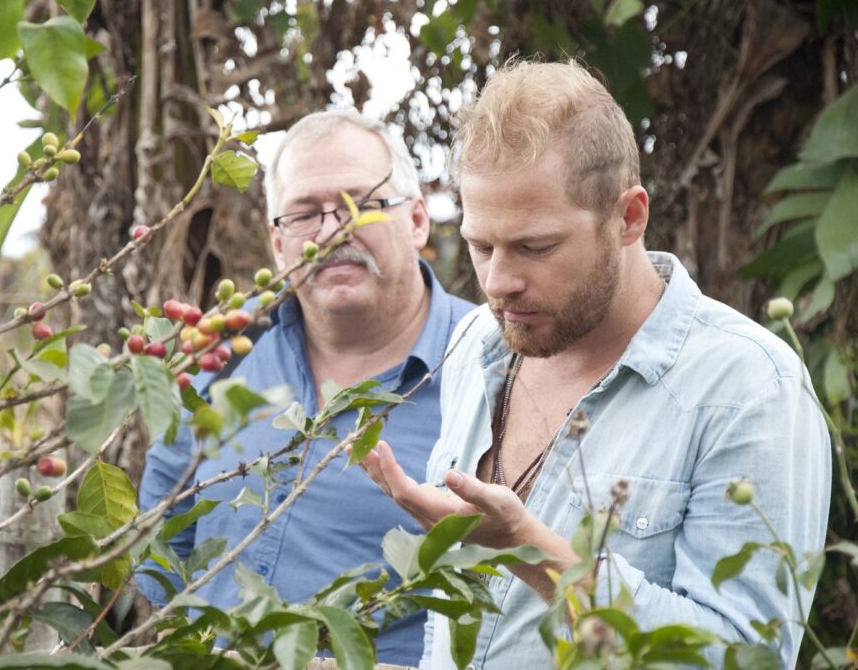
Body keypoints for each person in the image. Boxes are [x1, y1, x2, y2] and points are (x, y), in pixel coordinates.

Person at [355, 59, 831, 669]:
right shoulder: (478, 341)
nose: (499, 282)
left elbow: (747, 656)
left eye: (536, 247)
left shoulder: (748, 388)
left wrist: (532, 552)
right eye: (481, 245)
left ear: (629, 217)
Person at [136, 109, 475, 666]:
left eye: (360, 206)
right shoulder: (227, 345)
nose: (330, 231)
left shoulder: (486, 366)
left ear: (417, 220)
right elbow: (160, 529)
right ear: (276, 243)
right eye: (303, 214)